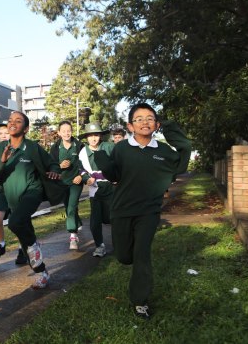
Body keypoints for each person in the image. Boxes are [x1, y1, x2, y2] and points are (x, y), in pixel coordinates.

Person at [94, 102, 191, 320]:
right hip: (121, 210)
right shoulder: (121, 149)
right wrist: (101, 160)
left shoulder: (164, 151)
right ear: (130, 126)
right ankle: (127, 261)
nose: (144, 122)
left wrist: (170, 128)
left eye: (150, 118)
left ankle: (140, 301)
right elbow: (113, 175)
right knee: (124, 256)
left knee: (142, 255)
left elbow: (183, 158)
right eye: (139, 119)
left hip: (149, 211)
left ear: (156, 124)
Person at [0, 111, 63, 289]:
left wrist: (54, 171)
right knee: (23, 233)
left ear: (26, 128)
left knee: (14, 222)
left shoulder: (32, 147)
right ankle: (42, 272)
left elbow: (52, 163)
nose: (12, 123)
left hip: (32, 191)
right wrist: (3, 161)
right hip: (11, 196)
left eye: (18, 121)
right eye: (10, 120)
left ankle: (32, 244)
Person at [0, 123, 28, 265]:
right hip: (1, 191)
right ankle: (0, 244)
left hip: (18, 191)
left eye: (6, 132)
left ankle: (22, 249)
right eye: (0, 133)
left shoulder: (23, 148)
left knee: (17, 222)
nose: (4, 135)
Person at [78, 122, 115, 257]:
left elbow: (119, 163)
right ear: (86, 138)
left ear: (100, 136)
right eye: (90, 136)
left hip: (111, 187)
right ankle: (99, 245)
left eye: (96, 135)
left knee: (113, 218)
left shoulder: (109, 147)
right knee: (95, 220)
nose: (93, 138)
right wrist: (86, 178)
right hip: (95, 189)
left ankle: (120, 243)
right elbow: (81, 170)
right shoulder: (83, 153)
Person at [49, 120, 85, 250]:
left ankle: (73, 236)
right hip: (61, 183)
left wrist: (80, 176)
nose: (66, 133)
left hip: (76, 182)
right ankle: (78, 222)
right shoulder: (55, 147)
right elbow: (50, 166)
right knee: (69, 207)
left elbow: (85, 164)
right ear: (59, 133)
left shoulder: (80, 145)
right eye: (63, 131)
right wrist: (59, 166)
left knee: (71, 207)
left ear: (72, 131)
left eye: (68, 130)